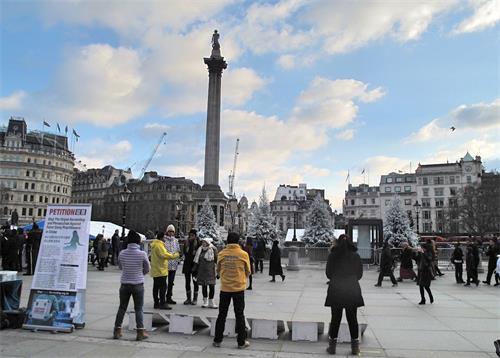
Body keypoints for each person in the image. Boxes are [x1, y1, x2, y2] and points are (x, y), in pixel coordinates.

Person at [325, 234, 364, 355]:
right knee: (352, 318)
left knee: (335, 318)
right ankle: (355, 348)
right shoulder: (355, 256)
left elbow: (328, 273)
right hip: (351, 289)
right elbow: (360, 274)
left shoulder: (333, 255)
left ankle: (332, 347)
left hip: (336, 289)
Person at [213, 232, 251, 349]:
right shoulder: (243, 254)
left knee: (222, 315)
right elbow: (248, 271)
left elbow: (218, 270)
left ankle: (217, 340)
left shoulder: (222, 254)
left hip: (225, 288)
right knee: (239, 315)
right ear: (238, 241)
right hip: (238, 288)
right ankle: (241, 342)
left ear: (227, 241)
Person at [113, 230, 150, 341]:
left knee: (122, 307)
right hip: (138, 284)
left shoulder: (122, 253)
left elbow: (120, 267)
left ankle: (117, 330)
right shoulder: (142, 254)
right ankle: (140, 332)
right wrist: (140, 274)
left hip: (124, 283)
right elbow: (147, 268)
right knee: (138, 308)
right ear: (138, 241)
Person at [150, 232, 180, 309]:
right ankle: (162, 303)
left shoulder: (154, 244)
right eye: (164, 237)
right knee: (163, 287)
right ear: (161, 237)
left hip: (155, 269)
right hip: (161, 270)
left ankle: (156, 303)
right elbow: (164, 255)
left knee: (156, 287)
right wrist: (175, 255)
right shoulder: (159, 245)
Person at [194, 237, 218, 308]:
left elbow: (217, 260)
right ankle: (205, 301)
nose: (203, 244)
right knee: (204, 286)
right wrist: (195, 270)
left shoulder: (213, 249)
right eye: (202, 242)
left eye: (204, 242)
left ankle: (211, 301)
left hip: (211, 271)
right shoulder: (200, 250)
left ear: (208, 243)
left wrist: (218, 271)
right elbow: (196, 260)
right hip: (202, 271)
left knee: (212, 286)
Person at [164, 224, 181, 305]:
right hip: (165, 264)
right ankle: (163, 297)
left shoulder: (176, 241)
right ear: (167, 232)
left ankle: (169, 297)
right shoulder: (164, 240)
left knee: (171, 282)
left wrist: (177, 260)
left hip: (173, 265)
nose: (171, 233)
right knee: (164, 283)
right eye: (169, 231)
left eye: (172, 231)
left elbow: (178, 251)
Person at [182, 229, 200, 305]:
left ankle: (195, 299)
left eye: (193, 235)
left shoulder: (198, 244)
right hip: (187, 265)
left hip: (195, 266)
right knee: (187, 282)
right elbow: (184, 252)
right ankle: (188, 298)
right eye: (190, 235)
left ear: (195, 236)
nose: (191, 237)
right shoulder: (186, 243)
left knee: (195, 282)